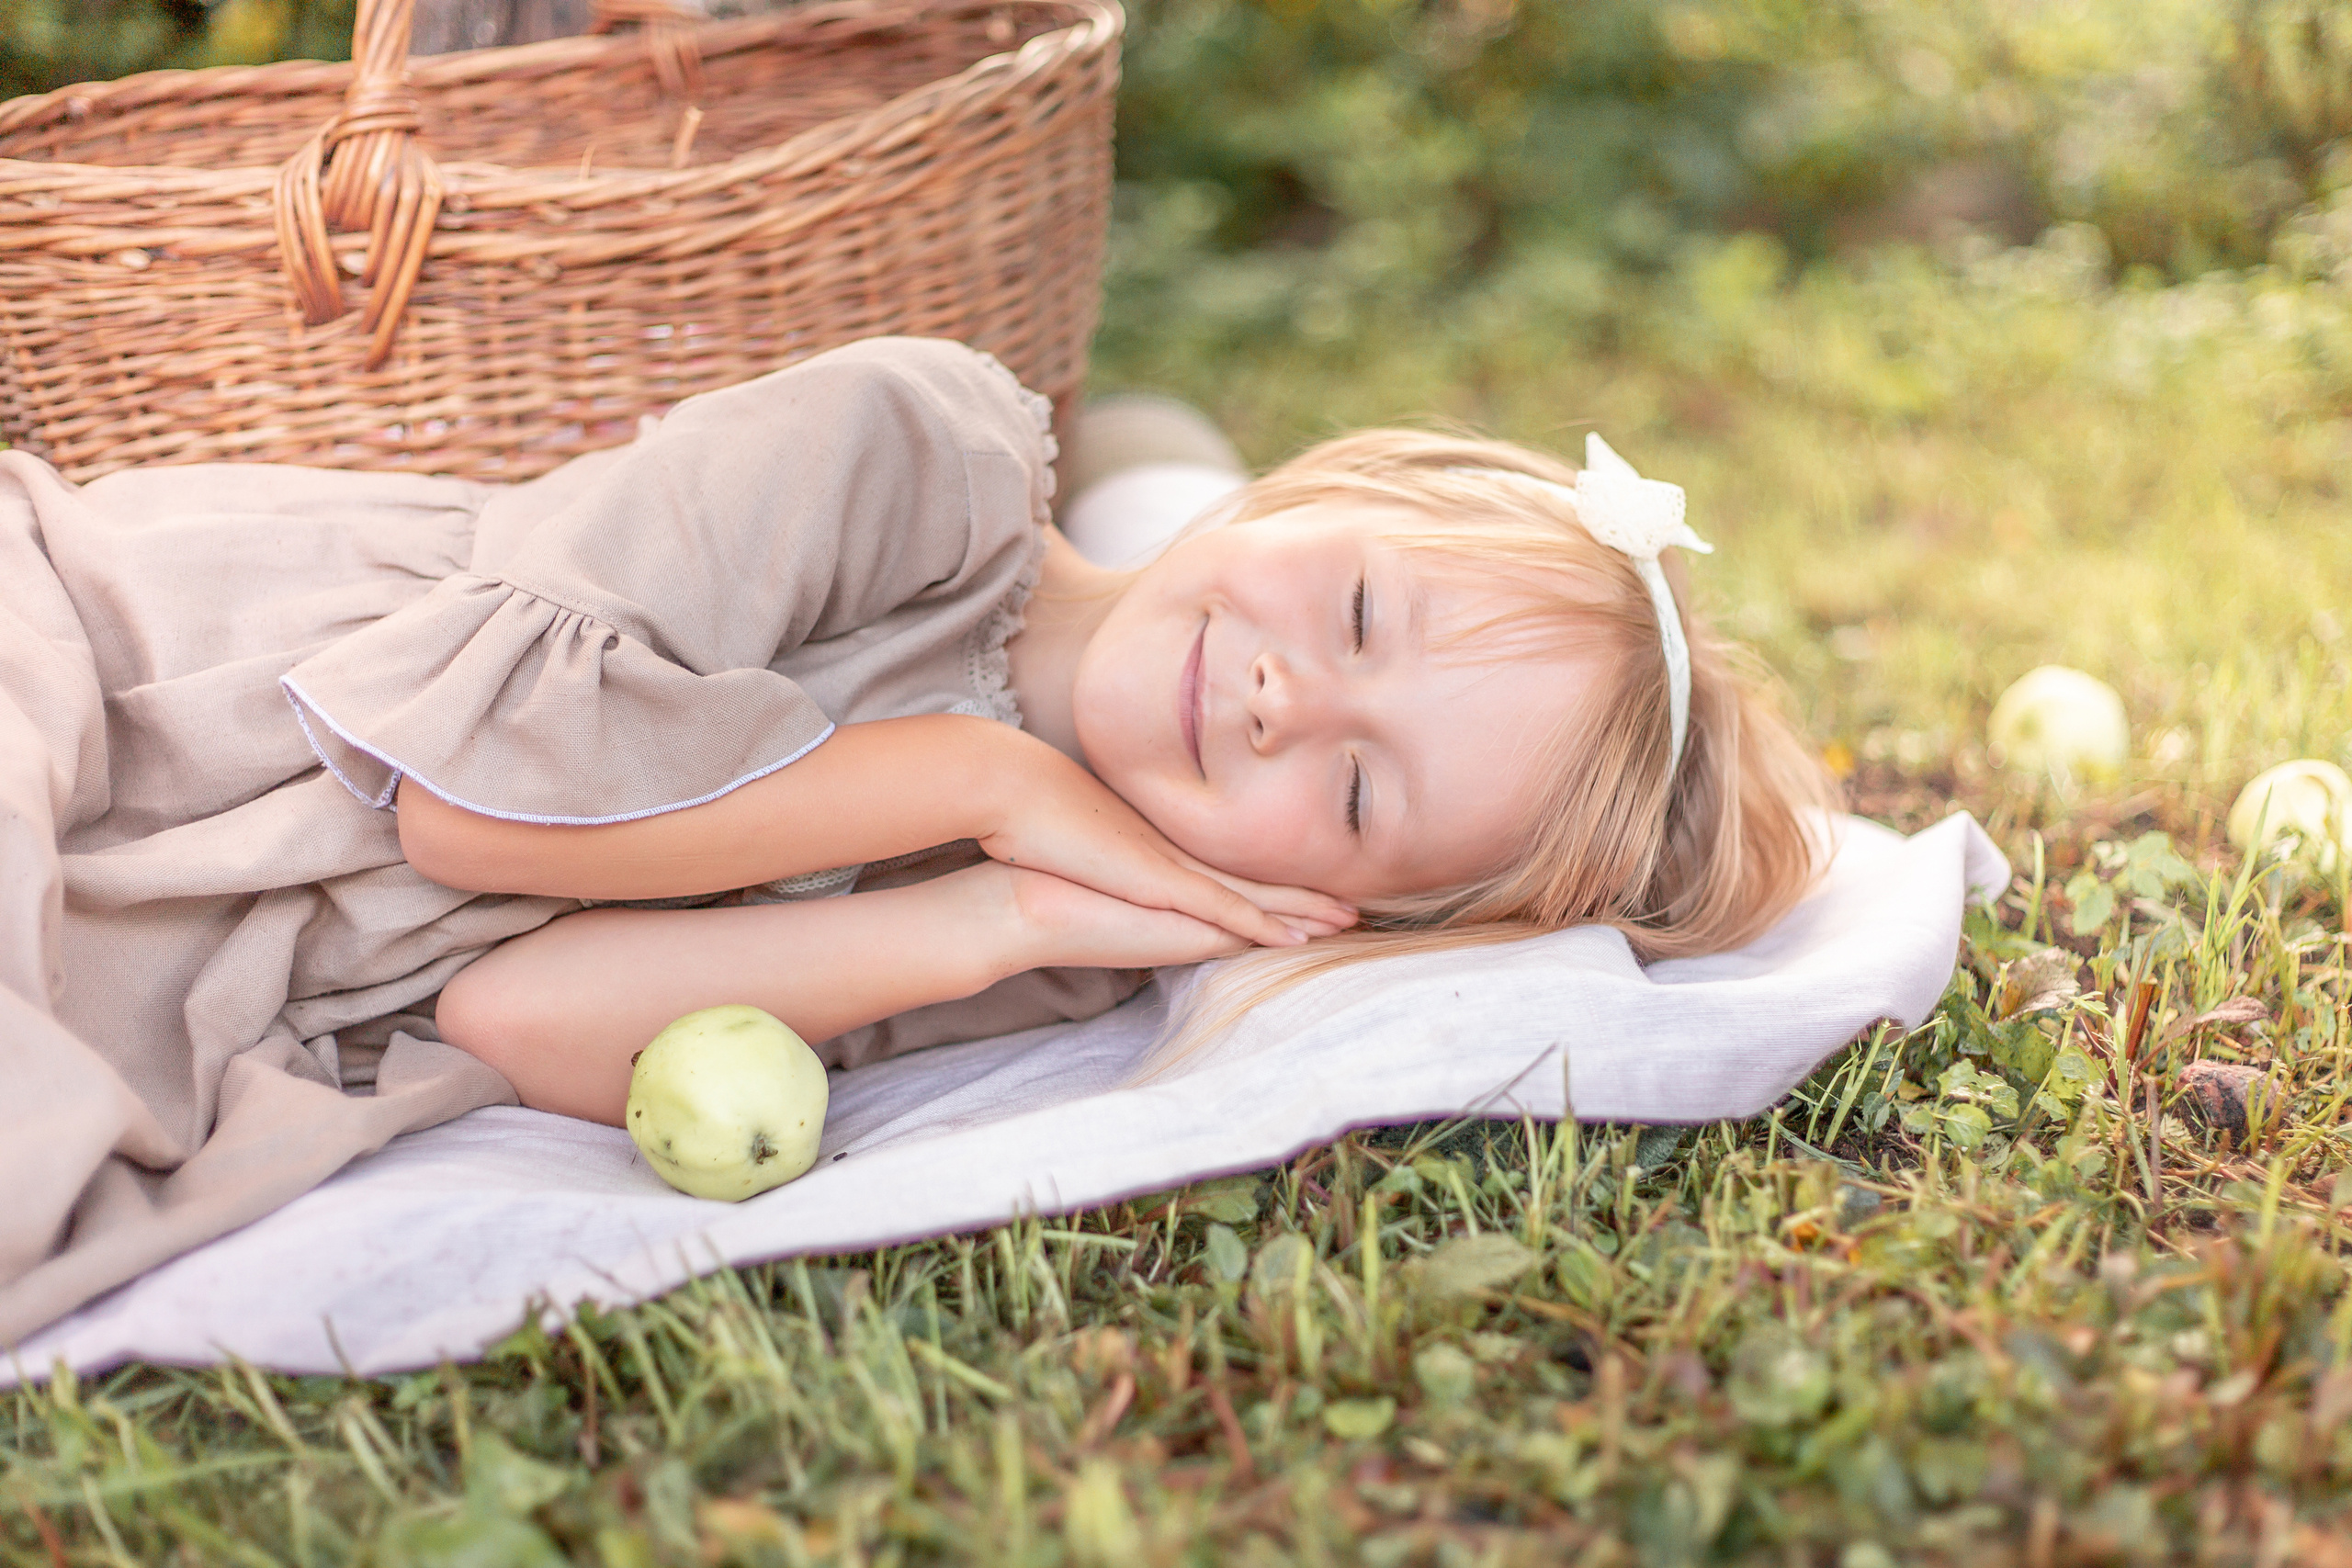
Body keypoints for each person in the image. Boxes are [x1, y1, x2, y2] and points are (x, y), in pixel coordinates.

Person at [0, 337, 1827, 1341]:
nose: (1287, 697)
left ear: (1334, 900)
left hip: (226, 940)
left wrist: (993, 913)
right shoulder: (912, 455)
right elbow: (461, 799)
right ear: (1327, 486)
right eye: (1352, 608)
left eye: (1357, 790)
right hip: (130, 678)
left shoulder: (1041, 939)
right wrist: (970, 775)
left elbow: (519, 1021)